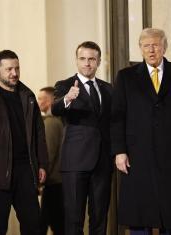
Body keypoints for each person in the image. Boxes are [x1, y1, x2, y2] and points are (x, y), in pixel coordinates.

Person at [111, 28, 171, 235]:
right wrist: (119, 151)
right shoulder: (126, 77)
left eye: (156, 45)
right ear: (140, 49)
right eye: (146, 46)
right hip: (137, 156)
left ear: (164, 47)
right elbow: (117, 117)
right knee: (139, 214)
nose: (151, 50)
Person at [0, 50, 48, 235]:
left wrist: (42, 164)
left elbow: (39, 133)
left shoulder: (27, 95)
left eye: (17, 68)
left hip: (26, 171)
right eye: (9, 69)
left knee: (33, 225)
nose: (14, 73)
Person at [52, 41, 113, 235]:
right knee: (73, 219)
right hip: (75, 162)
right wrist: (68, 99)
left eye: (92, 59)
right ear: (77, 61)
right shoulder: (65, 85)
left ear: (99, 61)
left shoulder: (108, 88)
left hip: (103, 163)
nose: (87, 63)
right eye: (83, 59)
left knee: (100, 218)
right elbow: (55, 108)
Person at [37, 86, 65, 235]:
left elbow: (48, 154)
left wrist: (40, 181)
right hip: (56, 183)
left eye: (40, 98)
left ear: (48, 101)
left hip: (54, 184)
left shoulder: (50, 123)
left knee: (51, 224)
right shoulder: (55, 121)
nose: (38, 102)